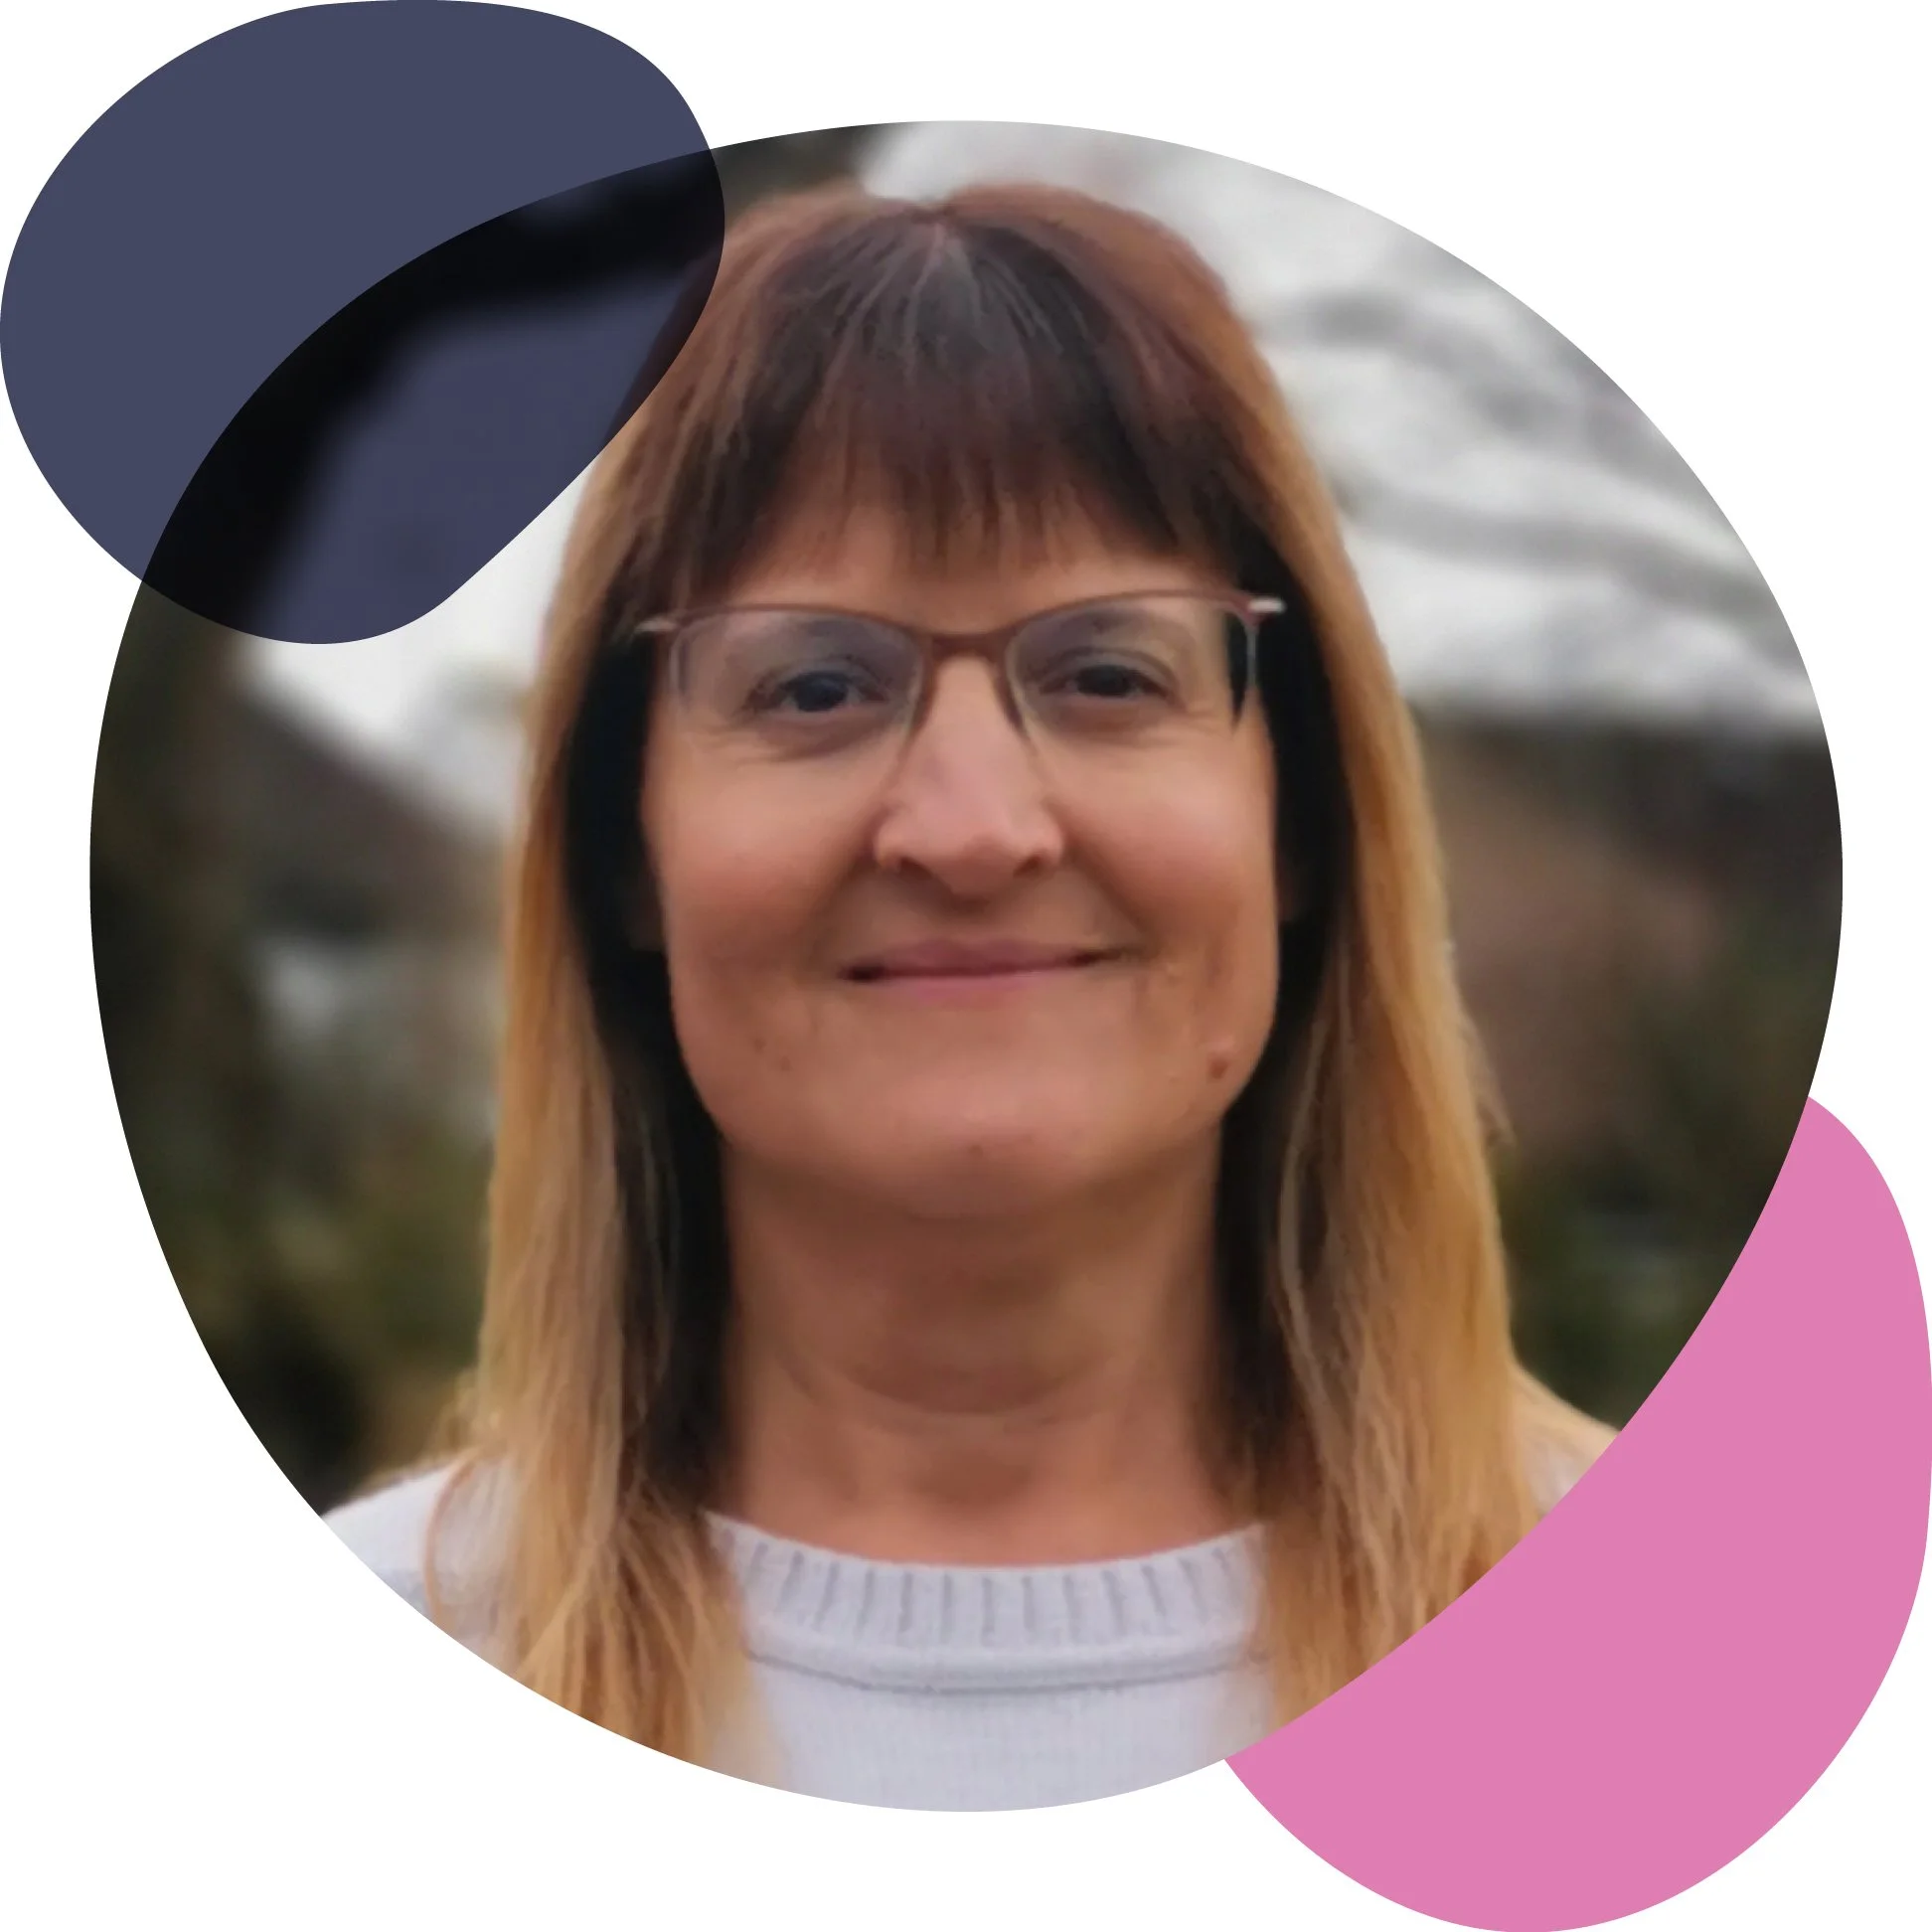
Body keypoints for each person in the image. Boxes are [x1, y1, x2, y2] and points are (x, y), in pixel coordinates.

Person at [328, 179, 1613, 1809]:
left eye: (1105, 674)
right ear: (619, 854)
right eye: (812, 683)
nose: (973, 827)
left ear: (1298, 817)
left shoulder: (1696, 1655)